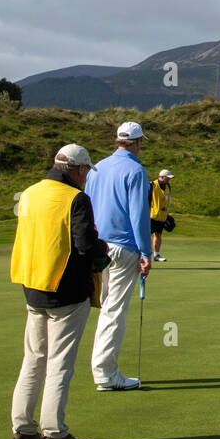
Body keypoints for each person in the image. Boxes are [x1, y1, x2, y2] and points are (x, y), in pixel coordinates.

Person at [9, 144, 108, 439]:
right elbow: (84, 244)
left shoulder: (30, 193)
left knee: (34, 359)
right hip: (66, 290)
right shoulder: (76, 198)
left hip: (33, 285)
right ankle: (54, 434)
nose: (86, 178)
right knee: (59, 365)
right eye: (86, 172)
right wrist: (102, 249)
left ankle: (24, 431)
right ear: (78, 169)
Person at [84, 121, 152, 390]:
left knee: (105, 309)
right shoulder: (136, 170)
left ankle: (103, 368)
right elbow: (138, 216)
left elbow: (87, 207)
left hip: (97, 246)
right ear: (136, 143)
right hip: (124, 248)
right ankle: (105, 373)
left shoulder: (97, 168)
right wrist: (146, 253)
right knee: (114, 311)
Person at [149, 169, 174, 262]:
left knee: (158, 234)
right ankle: (143, 256)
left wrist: (167, 214)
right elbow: (146, 200)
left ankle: (157, 255)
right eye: (167, 178)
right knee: (147, 235)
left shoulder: (168, 186)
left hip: (162, 216)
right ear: (161, 177)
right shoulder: (152, 185)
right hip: (152, 215)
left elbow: (168, 201)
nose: (169, 180)